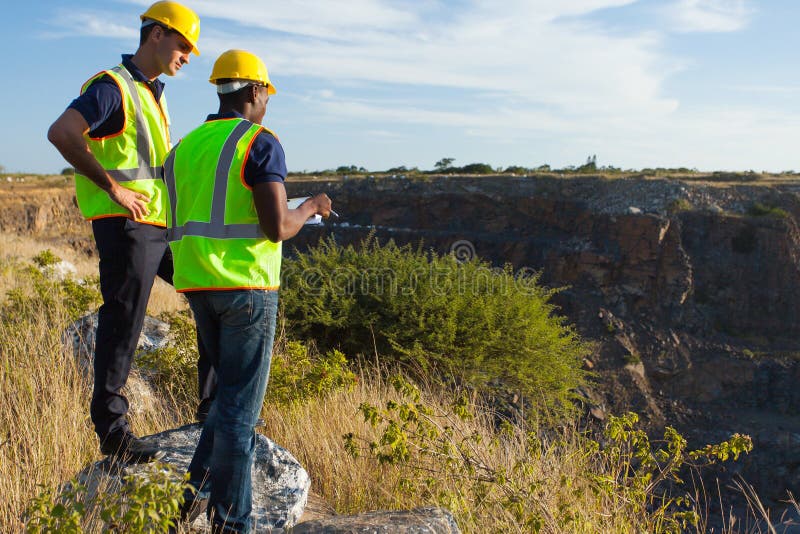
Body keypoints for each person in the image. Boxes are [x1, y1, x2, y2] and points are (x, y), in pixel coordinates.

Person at [163, 49, 331, 533]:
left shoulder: (186, 147)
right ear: (256, 91)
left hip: (198, 286)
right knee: (238, 414)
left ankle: (181, 508)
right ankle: (233, 526)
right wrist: (312, 206)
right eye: (267, 95)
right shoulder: (260, 142)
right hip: (247, 290)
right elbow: (277, 226)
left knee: (223, 405)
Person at [46, 1, 212, 463]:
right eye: (183, 45)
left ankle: (213, 408)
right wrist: (113, 188)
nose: (187, 56)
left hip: (159, 224)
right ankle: (113, 432)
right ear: (156, 35)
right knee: (124, 319)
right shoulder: (112, 87)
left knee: (211, 290)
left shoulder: (154, 93)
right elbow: (62, 133)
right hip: (127, 225)